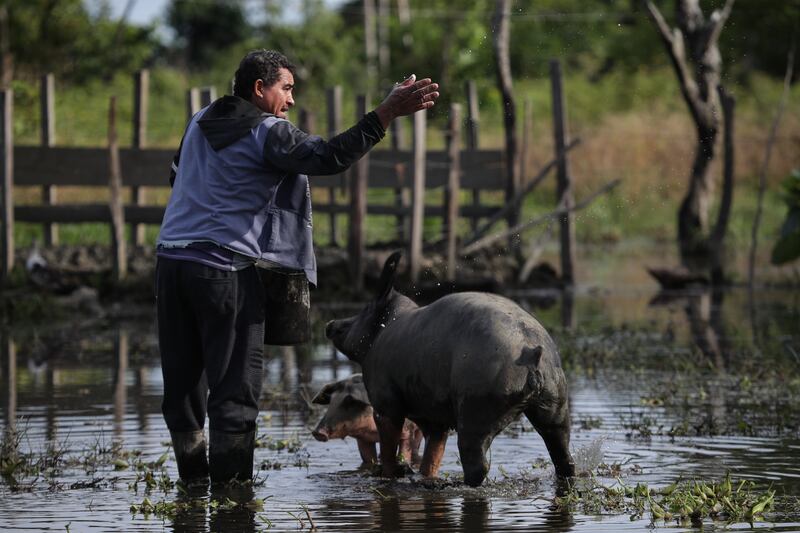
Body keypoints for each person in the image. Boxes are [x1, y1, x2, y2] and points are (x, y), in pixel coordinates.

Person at [155, 49, 439, 485]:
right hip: (222, 270)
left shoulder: (198, 120)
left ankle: (192, 488)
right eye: (285, 88)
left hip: (171, 264)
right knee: (234, 390)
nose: (289, 100)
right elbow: (328, 157)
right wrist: (385, 113)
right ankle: (234, 502)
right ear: (259, 88)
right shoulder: (268, 132)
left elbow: (178, 178)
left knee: (184, 385)